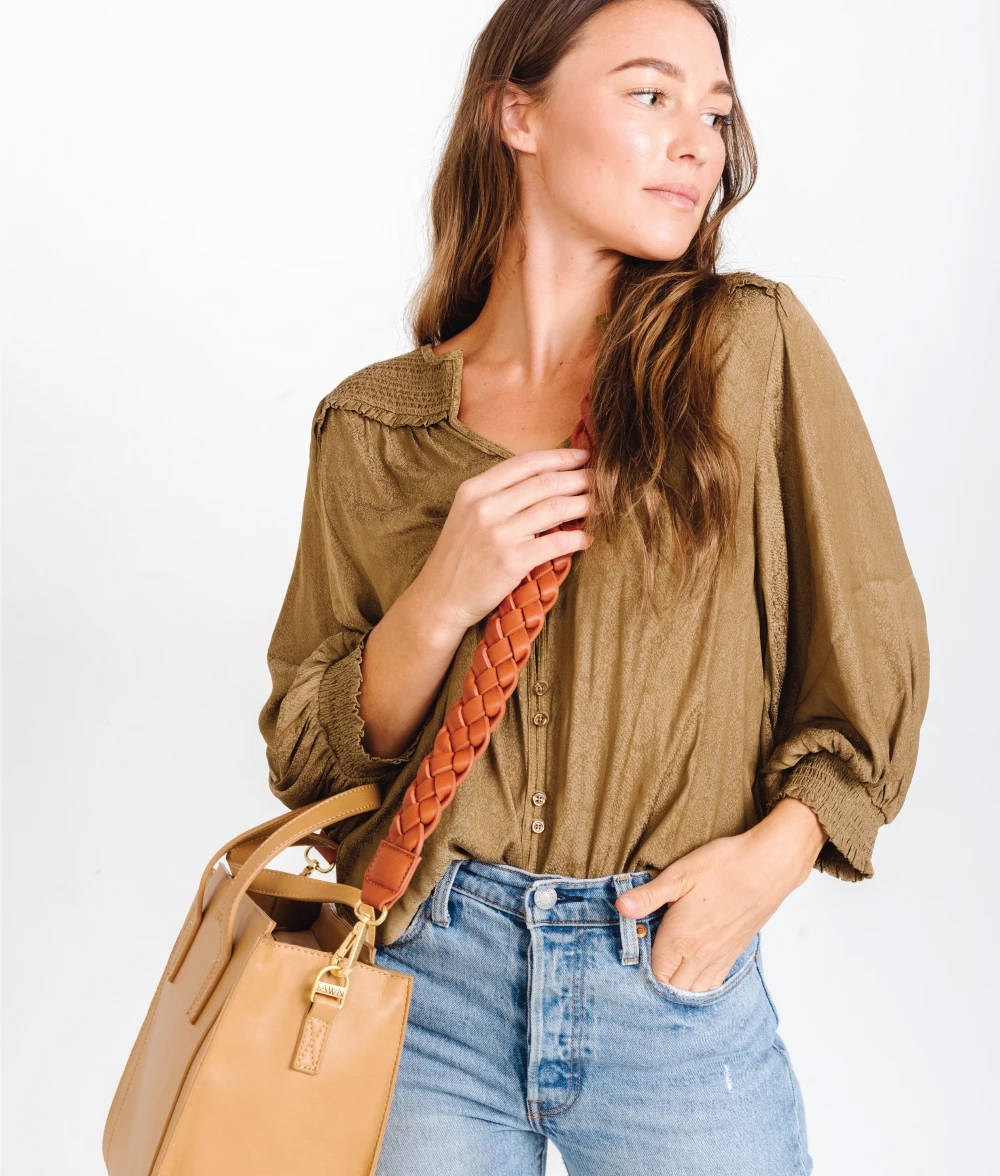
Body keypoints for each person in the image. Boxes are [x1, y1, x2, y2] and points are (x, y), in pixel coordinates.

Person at [258, 1, 929, 1172]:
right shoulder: (375, 425)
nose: (696, 143)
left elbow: (868, 643)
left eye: (714, 113)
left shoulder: (743, 349)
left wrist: (768, 864)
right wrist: (441, 597)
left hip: (669, 978)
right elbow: (311, 758)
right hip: (426, 985)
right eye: (650, 94)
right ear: (514, 113)